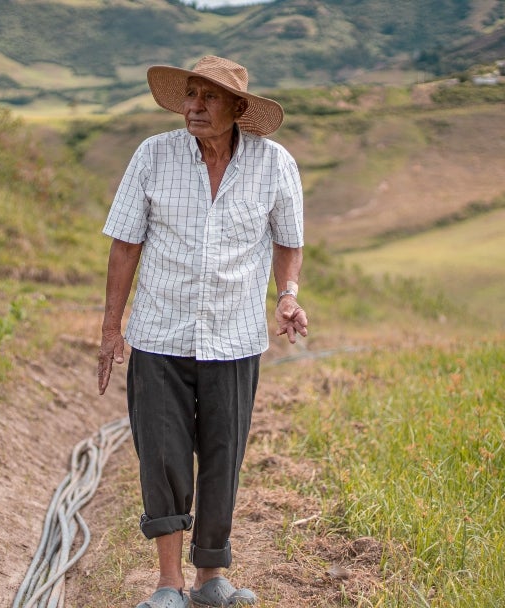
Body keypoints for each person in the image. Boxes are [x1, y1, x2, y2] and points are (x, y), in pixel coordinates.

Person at [97, 55, 307, 608]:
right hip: (160, 333)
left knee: (222, 454)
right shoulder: (153, 156)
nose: (194, 106)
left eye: (208, 97)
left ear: (238, 109)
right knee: (162, 454)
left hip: (233, 338)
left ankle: (212, 580)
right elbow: (124, 244)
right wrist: (111, 328)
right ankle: (169, 585)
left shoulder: (274, 164)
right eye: (190, 94)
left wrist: (287, 295)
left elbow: (289, 240)